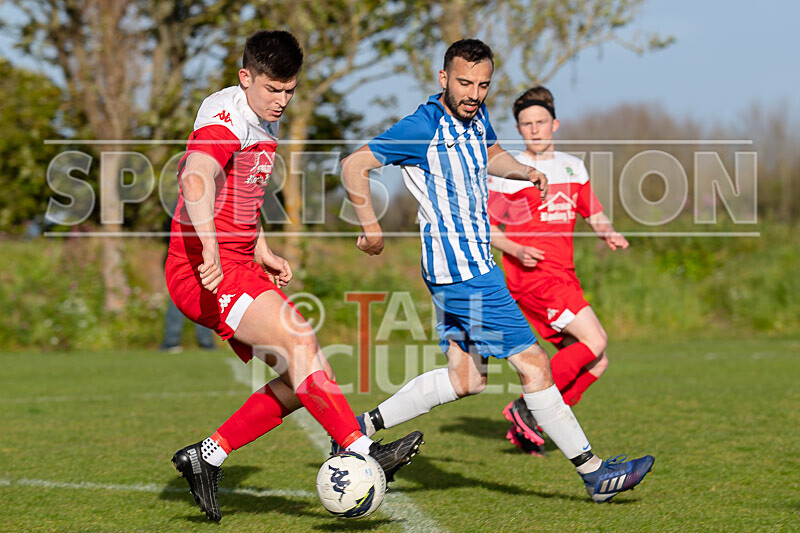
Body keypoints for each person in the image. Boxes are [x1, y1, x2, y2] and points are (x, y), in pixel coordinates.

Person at [340, 39, 653, 503]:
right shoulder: (422, 125)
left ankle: (354, 431)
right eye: (464, 82)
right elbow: (354, 164)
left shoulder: (476, 115)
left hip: (462, 267)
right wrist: (371, 227)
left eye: (482, 85)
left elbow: (492, 155)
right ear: (443, 78)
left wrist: (523, 171)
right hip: (463, 269)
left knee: (466, 378)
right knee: (534, 364)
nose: (474, 93)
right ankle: (594, 474)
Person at [165, 30, 423, 522]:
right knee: (301, 340)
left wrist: (261, 248)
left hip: (238, 263)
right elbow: (196, 177)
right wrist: (215, 248)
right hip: (201, 271)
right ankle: (364, 452)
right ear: (246, 78)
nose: (282, 101)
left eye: (290, 90)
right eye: (272, 90)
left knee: (304, 376)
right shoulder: (226, 118)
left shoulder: (263, 119)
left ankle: (207, 456)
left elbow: (238, 195)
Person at [487, 86, 629, 455]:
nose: (534, 129)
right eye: (526, 124)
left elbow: (591, 211)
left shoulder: (572, 167)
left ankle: (531, 423)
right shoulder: (510, 172)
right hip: (535, 279)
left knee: (597, 363)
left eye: (541, 122)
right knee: (595, 341)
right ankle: (525, 408)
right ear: (518, 129)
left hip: (565, 276)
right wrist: (516, 248)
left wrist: (608, 231)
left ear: (555, 124)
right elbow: (485, 228)